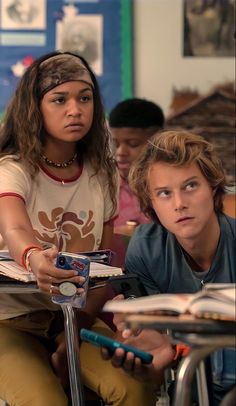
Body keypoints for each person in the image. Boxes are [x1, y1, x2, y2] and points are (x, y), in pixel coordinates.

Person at [0, 51, 155, 406]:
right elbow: (14, 228)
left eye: (84, 98)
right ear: (34, 108)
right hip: (8, 321)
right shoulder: (11, 169)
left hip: (73, 318)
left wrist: (77, 329)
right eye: (59, 99)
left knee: (136, 389)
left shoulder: (102, 175)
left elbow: (104, 266)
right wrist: (34, 257)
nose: (75, 109)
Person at [102, 130, 236, 405]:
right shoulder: (147, 249)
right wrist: (155, 355)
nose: (179, 204)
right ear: (150, 203)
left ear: (212, 187)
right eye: (164, 193)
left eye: (190, 186)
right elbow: (157, 355)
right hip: (192, 392)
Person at [109, 98, 164, 226]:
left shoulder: (171, 188)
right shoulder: (104, 186)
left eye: (133, 144)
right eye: (115, 144)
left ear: (158, 141)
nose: (121, 152)